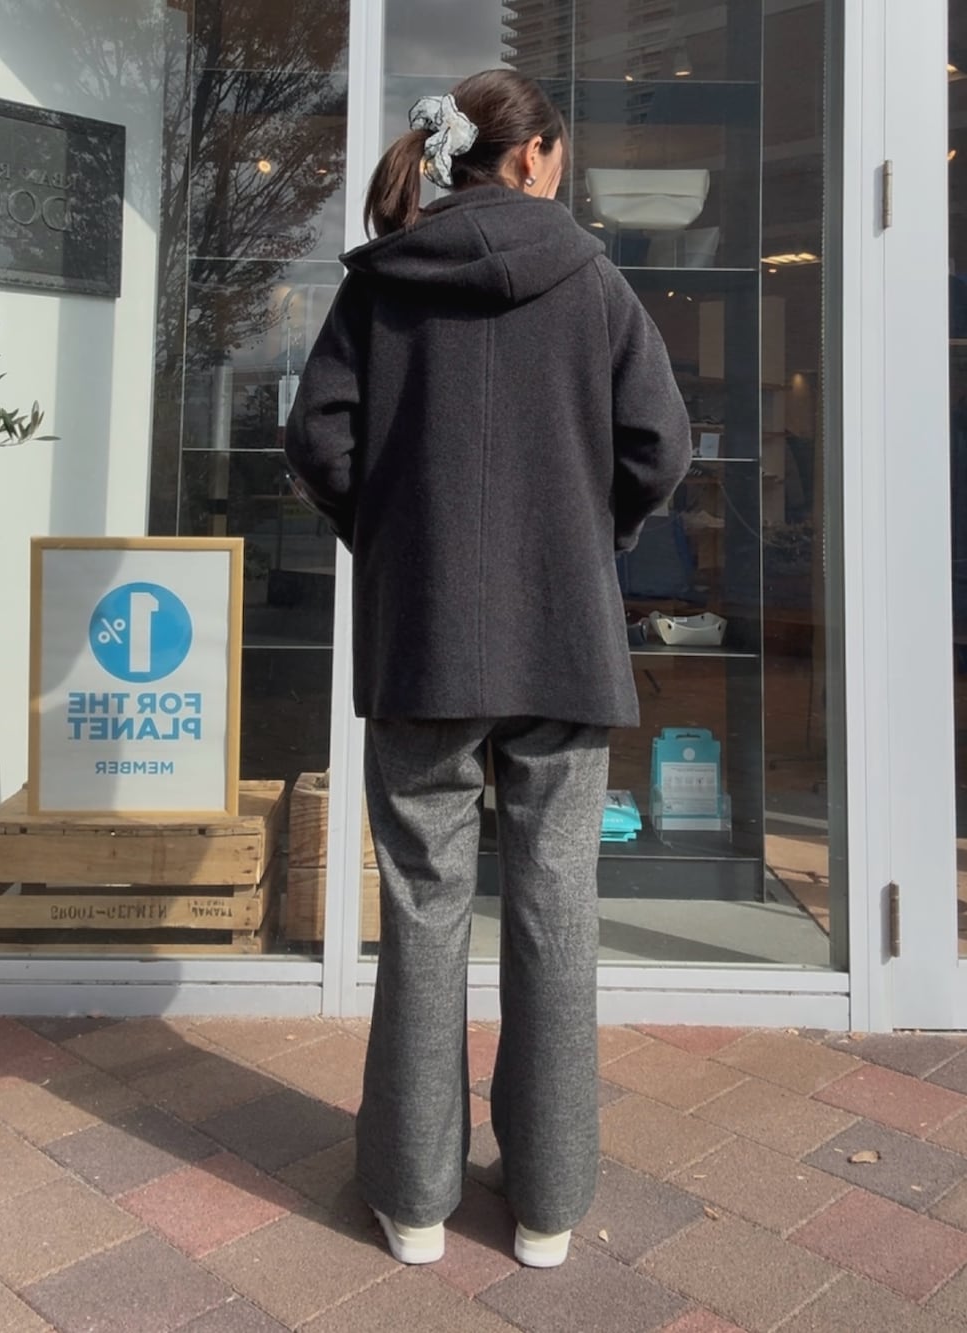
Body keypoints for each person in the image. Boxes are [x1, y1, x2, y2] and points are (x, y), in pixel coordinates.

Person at [285, 67, 691, 1269]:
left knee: (423, 911)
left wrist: (392, 538)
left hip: (423, 641)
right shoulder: (594, 280)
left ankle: (414, 1201)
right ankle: (549, 1205)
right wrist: (591, 536)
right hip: (562, 642)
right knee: (557, 910)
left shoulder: (383, 283)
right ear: (534, 156)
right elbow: (659, 446)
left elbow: (316, 441)